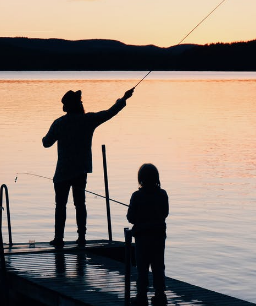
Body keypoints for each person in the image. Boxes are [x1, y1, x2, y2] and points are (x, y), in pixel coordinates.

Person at [43, 87, 134, 247]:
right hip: (80, 171)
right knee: (80, 204)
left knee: (60, 206)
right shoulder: (88, 120)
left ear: (66, 107)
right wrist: (123, 99)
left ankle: (58, 238)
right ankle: (82, 237)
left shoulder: (59, 123)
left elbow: (46, 143)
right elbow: (110, 113)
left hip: (63, 172)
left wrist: (47, 136)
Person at [127, 164, 169, 306]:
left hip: (142, 238)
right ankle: (160, 295)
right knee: (158, 266)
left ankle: (141, 296)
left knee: (142, 268)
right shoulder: (162, 194)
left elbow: (131, 218)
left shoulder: (137, 196)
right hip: (158, 237)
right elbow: (165, 213)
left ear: (141, 179)